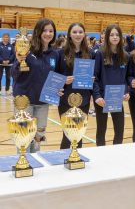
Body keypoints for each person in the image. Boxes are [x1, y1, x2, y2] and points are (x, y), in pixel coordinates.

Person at [11, 18, 62, 152]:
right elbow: (14, 74)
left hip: (43, 102)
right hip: (24, 101)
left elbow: (55, 77)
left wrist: (58, 88)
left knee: (38, 137)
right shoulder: (26, 49)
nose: (48, 33)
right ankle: (22, 165)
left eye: (51, 31)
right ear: (38, 32)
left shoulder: (55, 54)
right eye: (44, 30)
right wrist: (18, 62)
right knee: (24, 138)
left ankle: (35, 165)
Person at [93, 25, 130, 146]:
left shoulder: (125, 55)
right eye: (112, 35)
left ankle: (116, 154)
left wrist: (126, 92)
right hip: (102, 99)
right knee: (101, 129)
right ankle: (101, 154)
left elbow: (126, 78)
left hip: (117, 98)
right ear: (107, 37)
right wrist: (97, 95)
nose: (115, 37)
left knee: (119, 130)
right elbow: (95, 77)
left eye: (117, 35)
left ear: (121, 37)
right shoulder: (100, 53)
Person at [58, 23, 93, 149]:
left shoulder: (91, 53)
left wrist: (92, 79)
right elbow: (54, 76)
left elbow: (96, 75)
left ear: (84, 34)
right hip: (65, 99)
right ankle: (64, 160)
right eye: (74, 32)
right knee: (67, 133)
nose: (78, 35)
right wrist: (63, 80)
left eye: (80, 32)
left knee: (79, 132)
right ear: (69, 34)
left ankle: (77, 158)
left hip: (84, 99)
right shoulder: (60, 53)